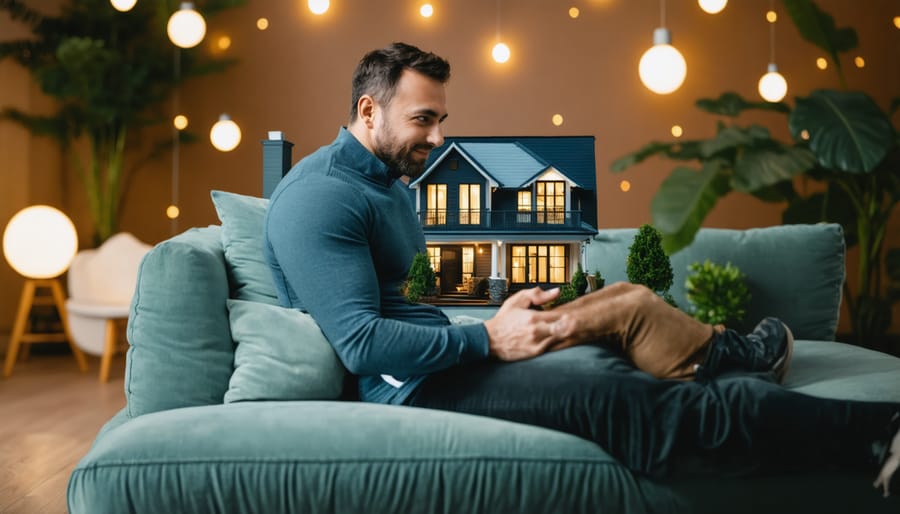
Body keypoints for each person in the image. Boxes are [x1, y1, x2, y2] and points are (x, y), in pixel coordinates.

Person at [264, 42, 899, 495]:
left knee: (625, 306)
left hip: (441, 355)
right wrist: (488, 339)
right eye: (422, 120)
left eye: (440, 120)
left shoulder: (387, 181)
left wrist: (488, 327)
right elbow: (361, 344)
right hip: (411, 386)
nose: (437, 139)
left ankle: (731, 360)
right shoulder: (320, 197)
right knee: (629, 394)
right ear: (368, 112)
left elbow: (405, 305)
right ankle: (876, 435)